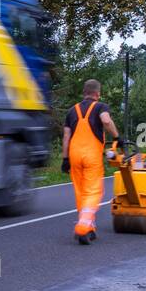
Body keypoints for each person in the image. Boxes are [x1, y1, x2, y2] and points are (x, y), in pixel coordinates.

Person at [61, 79, 122, 244]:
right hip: (91, 156)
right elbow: (106, 121)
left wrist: (65, 159)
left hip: (74, 156)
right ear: (97, 93)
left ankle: (90, 227)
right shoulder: (100, 107)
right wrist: (117, 137)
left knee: (80, 192)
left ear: (84, 93)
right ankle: (83, 225)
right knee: (93, 191)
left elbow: (66, 137)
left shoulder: (72, 111)